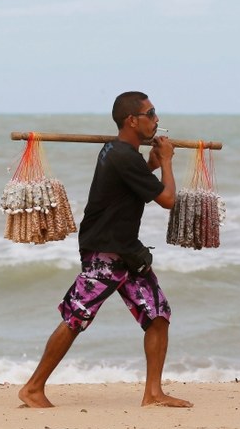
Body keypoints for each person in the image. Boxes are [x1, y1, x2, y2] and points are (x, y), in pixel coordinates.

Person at [18, 91, 192, 409]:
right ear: (132, 120)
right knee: (76, 317)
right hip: (105, 252)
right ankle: (32, 388)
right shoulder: (122, 155)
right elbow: (168, 200)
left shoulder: (117, 151)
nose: (156, 121)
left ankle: (153, 393)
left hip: (126, 252)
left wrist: (152, 165)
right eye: (151, 114)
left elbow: (133, 186)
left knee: (157, 316)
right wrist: (166, 161)